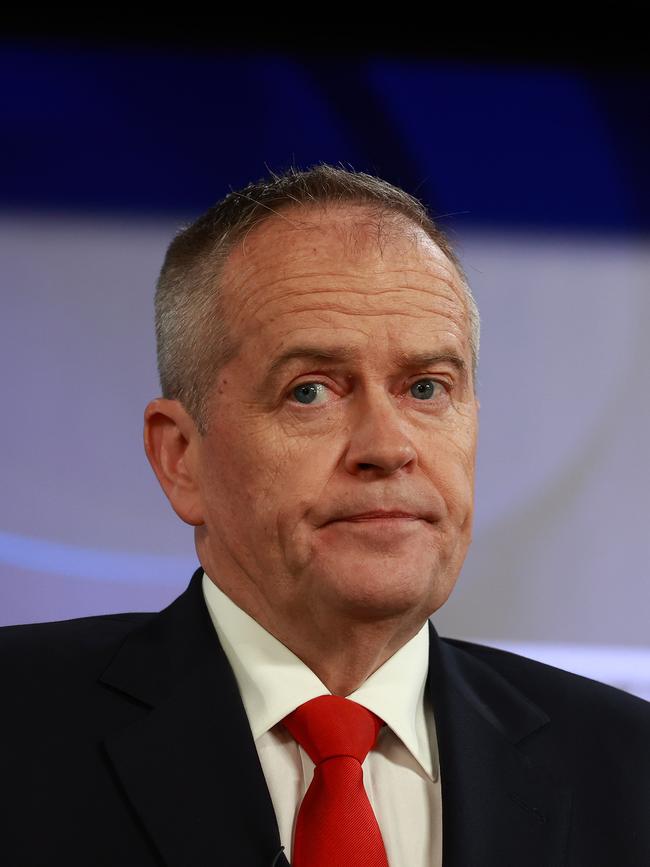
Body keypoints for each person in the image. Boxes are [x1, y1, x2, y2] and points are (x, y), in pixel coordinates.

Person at [1, 166, 648, 867]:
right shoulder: (19, 727)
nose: (388, 446)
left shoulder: (628, 765)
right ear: (181, 457)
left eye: (427, 387)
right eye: (310, 391)